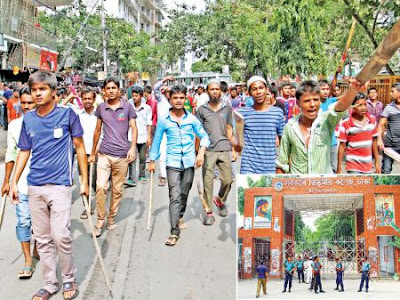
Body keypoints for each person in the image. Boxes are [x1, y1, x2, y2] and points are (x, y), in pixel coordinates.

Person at [10, 71, 89, 300]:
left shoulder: (67, 115)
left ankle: (69, 280)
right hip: (35, 185)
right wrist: (14, 182)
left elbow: (80, 147)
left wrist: (83, 180)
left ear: (54, 92)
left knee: (61, 235)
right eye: (34, 90)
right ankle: (50, 283)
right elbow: (24, 151)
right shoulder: (29, 119)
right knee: (42, 238)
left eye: (42, 89)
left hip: (60, 185)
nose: (37, 94)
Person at [149, 84, 210, 246]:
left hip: (189, 161)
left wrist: (201, 152)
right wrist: (152, 160)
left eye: (181, 98)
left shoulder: (191, 119)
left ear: (186, 99)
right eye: (175, 98)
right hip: (172, 162)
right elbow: (157, 141)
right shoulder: (164, 120)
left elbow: (204, 136)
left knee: (184, 193)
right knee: (174, 196)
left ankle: (180, 214)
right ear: (170, 99)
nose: (178, 101)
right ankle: (174, 231)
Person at [277, 79, 364, 174]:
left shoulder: (327, 121)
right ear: (298, 104)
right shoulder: (290, 127)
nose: (312, 104)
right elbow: (282, 163)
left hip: (324, 186)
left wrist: (353, 89)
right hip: (299, 186)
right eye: (307, 101)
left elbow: (339, 108)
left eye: (315, 100)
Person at [88, 76, 138, 237]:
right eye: (108, 88)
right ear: (104, 91)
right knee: (101, 186)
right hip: (104, 154)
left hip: (122, 155)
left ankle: (111, 216)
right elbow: (97, 131)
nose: (111, 91)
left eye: (113, 88)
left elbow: (134, 128)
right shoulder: (101, 108)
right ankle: (100, 219)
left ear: (119, 90)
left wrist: (133, 148)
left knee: (117, 190)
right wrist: (93, 152)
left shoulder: (128, 107)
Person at [2, 86, 39, 280]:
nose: (26, 107)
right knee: (24, 222)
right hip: (21, 183)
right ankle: (27, 260)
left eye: (30, 103)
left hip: (43, 184)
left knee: (41, 226)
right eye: (23, 103)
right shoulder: (15, 125)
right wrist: (7, 181)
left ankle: (37, 250)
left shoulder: (47, 124)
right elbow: (11, 154)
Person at [196, 80, 235, 225]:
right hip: (208, 150)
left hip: (224, 148)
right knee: (208, 182)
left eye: (217, 89)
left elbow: (230, 127)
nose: (215, 92)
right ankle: (208, 211)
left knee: (227, 180)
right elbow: (197, 132)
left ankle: (220, 199)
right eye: (212, 89)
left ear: (221, 91)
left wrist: (232, 148)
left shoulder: (227, 108)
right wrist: (198, 152)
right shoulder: (201, 110)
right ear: (207, 91)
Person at [235, 76, 284, 174]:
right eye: (254, 89)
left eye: (261, 88)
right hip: (248, 166)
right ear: (249, 93)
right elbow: (235, 136)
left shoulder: (277, 112)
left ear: (267, 89)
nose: (258, 92)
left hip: (270, 165)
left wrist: (282, 166)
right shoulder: (242, 113)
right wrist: (236, 146)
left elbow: (283, 140)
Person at [337, 93, 380, 174]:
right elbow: (342, 146)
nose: (363, 108)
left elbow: (374, 141)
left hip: (367, 165)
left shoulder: (372, 120)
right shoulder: (345, 123)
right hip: (353, 165)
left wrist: (377, 162)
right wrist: (339, 167)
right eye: (359, 105)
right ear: (352, 107)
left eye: (364, 104)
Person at [78, 88, 98, 219]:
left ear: (94, 100)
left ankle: (101, 203)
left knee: (96, 181)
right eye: (84, 99)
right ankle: (87, 207)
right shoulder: (78, 116)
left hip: (96, 152)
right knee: (83, 180)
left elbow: (101, 134)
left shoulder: (99, 115)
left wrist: (94, 153)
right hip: (82, 153)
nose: (87, 101)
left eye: (89, 98)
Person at [126, 85, 152, 186]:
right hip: (131, 136)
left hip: (143, 136)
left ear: (141, 96)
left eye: (136, 96)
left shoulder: (147, 108)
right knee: (131, 158)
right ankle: (131, 178)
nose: (134, 98)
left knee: (142, 158)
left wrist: (149, 137)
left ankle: (141, 175)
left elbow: (149, 123)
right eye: (133, 96)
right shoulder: (129, 105)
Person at [154, 76, 173, 186]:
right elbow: (155, 88)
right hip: (162, 131)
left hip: (174, 130)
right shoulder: (161, 100)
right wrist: (165, 79)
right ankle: (163, 176)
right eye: (167, 92)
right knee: (162, 154)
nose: (169, 94)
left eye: (170, 92)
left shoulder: (177, 103)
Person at [377, 83, 400, 174]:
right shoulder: (389, 107)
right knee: (386, 170)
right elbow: (381, 124)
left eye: (392, 91)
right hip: (390, 144)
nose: (390, 94)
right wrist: (379, 139)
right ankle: (383, 188)